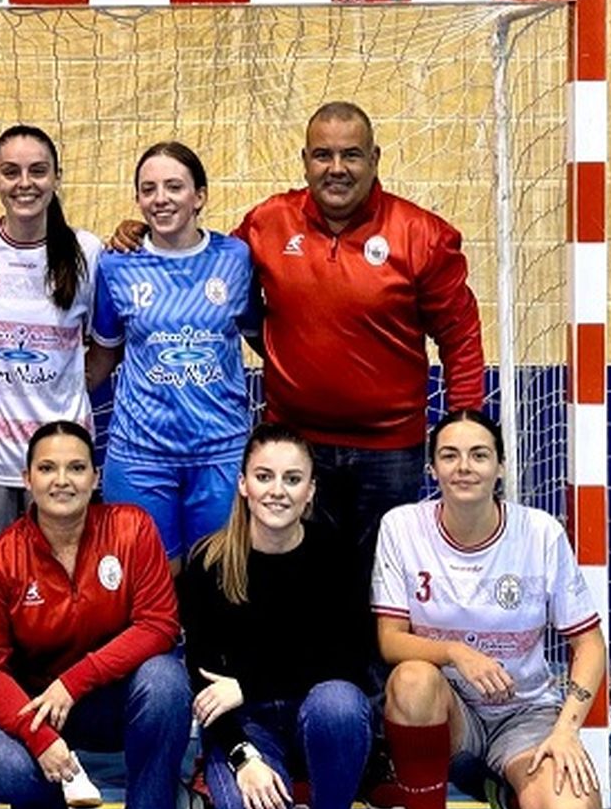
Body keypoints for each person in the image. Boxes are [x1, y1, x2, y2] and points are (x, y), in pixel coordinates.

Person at [114, 102, 484, 576]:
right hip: (293, 444)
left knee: (381, 584)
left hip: (390, 452)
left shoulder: (422, 235)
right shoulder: (268, 223)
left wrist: (465, 424)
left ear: (375, 158)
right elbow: (202, 264)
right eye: (322, 155)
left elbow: (462, 338)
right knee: (293, 583)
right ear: (304, 159)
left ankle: (376, 656)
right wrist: (145, 235)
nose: (336, 169)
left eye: (351, 155)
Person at [375, 409, 604, 809]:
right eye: (449, 455)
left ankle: (507, 798)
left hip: (524, 714)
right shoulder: (402, 527)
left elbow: (588, 643)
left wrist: (566, 731)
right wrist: (458, 653)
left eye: (479, 455)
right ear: (432, 468)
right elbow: (390, 640)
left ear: (501, 466)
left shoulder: (540, 533)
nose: (464, 467)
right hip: (449, 709)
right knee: (412, 679)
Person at [0, 124, 106, 809]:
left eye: (38, 170)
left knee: (69, 610)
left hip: (60, 467)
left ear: (56, 176)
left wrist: (65, 415)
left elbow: (102, 350)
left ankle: (66, 754)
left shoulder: (90, 252)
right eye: (11, 171)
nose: (25, 183)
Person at [0, 421, 192, 809]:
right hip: (35, 709)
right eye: (47, 468)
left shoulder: (132, 528)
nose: (61, 480)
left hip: (113, 700)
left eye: (75, 468)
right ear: (27, 479)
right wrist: (39, 734)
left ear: (94, 477)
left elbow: (160, 624)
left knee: (166, 680)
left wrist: (76, 680)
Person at [178, 423, 375, 809]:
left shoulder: (337, 555)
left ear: (310, 491)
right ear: (243, 484)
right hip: (249, 725)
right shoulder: (209, 562)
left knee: (340, 703)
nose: (277, 491)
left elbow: (347, 659)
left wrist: (248, 683)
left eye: (292, 479)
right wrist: (243, 756)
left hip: (315, 714)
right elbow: (204, 680)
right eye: (264, 477)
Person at [88, 141, 256, 572]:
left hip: (221, 452)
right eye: (149, 189)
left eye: (174, 186)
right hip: (142, 454)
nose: (160, 198)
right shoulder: (115, 265)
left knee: (216, 583)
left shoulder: (236, 259)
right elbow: (103, 357)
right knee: (149, 587)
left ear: (199, 195)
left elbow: (266, 339)